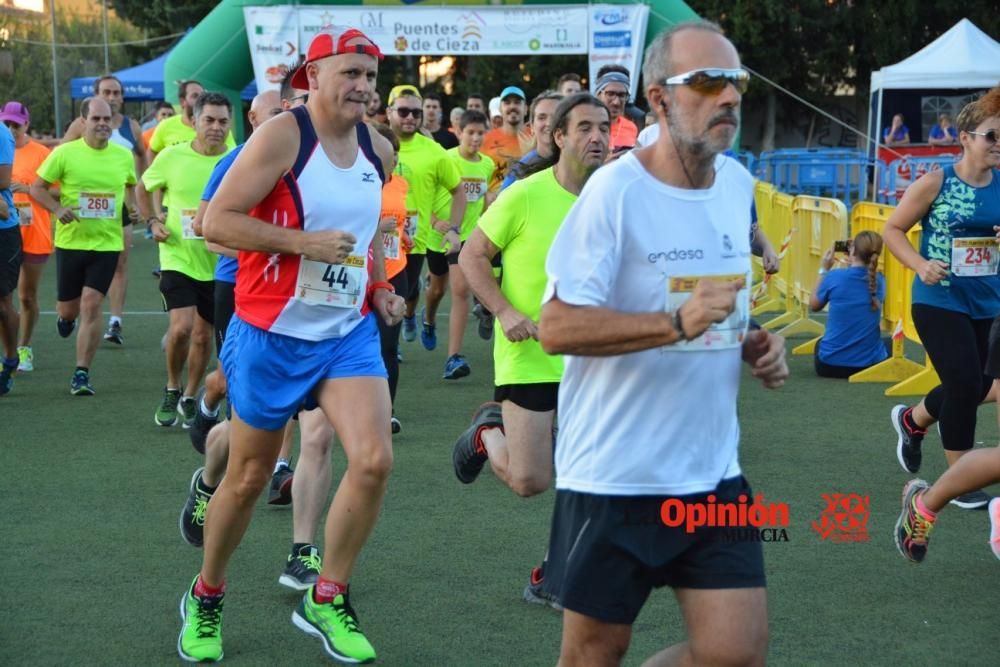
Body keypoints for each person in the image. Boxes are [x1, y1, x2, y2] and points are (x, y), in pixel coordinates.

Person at [537, 21, 787, 667]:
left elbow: (714, 309)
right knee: (595, 652)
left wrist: (751, 342)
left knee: (736, 652)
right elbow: (558, 326)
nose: (728, 97)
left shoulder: (736, 185)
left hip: (712, 473)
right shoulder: (614, 193)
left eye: (736, 82)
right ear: (658, 99)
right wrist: (675, 324)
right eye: (706, 82)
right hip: (615, 474)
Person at [176, 28, 401, 664]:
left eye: (369, 74)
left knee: (375, 459)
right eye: (350, 73)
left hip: (345, 331)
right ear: (312, 76)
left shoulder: (376, 148)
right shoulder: (283, 135)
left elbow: (366, 231)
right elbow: (214, 221)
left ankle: (326, 595)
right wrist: (303, 244)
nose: (362, 85)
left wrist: (379, 285)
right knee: (247, 479)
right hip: (270, 332)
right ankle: (207, 593)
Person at [179, 81, 337, 601]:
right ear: (256, 119)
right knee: (247, 435)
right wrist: (278, 247)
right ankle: (208, 479)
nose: (289, 119)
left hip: (319, 312)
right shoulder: (245, 159)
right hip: (247, 296)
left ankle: (302, 549)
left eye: (293, 109)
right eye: (277, 113)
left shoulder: (329, 151)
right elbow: (208, 227)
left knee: (316, 433)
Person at [454, 93, 610, 608]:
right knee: (529, 480)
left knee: (595, 476)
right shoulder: (523, 194)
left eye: (604, 128)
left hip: (593, 360)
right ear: (559, 137)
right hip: (528, 352)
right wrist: (503, 311)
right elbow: (472, 254)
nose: (597, 137)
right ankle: (486, 435)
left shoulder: (616, 199)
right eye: (584, 127)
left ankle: (552, 574)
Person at [884, 88, 1000, 510]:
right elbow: (892, 230)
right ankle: (961, 478)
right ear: (966, 137)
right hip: (938, 299)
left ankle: (913, 420)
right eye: (992, 136)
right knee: (966, 383)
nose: (998, 145)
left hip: (989, 301)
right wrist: (919, 264)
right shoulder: (936, 182)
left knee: (979, 385)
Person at [30, 97, 137, 395]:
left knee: (91, 303)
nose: (103, 123)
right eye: (96, 119)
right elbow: (36, 188)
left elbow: (130, 185)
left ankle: (81, 372)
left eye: (107, 118)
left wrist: (133, 206)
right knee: (69, 310)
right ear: (83, 122)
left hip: (106, 243)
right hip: (71, 243)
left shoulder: (122, 156)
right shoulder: (64, 154)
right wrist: (56, 209)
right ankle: (65, 319)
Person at [139, 91, 233, 427]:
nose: (216, 127)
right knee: (181, 329)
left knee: (203, 336)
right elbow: (144, 185)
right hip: (177, 256)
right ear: (193, 121)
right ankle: (172, 387)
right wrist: (152, 220)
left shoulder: (237, 159)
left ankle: (191, 395)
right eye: (208, 120)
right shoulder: (171, 157)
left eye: (223, 121)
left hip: (218, 262)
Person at [62, 75, 146, 346]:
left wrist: (136, 196)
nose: (112, 97)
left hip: (117, 205)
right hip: (84, 207)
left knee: (121, 262)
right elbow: (65, 157)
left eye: (117, 92)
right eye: (107, 92)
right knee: (78, 285)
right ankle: (70, 313)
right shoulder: (80, 125)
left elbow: (142, 157)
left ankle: (115, 320)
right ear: (96, 95)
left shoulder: (131, 127)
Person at [386, 84, 467, 351]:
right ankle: (389, 345)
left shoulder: (434, 152)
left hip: (415, 242)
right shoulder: (371, 142)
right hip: (378, 238)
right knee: (383, 296)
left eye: (415, 113)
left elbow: (459, 191)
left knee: (407, 292)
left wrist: (454, 228)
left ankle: (408, 316)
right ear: (389, 112)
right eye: (403, 111)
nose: (410, 117)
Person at [424, 109, 497, 379]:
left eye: (480, 133)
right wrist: (433, 221)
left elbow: (482, 200)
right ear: (458, 132)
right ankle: (428, 318)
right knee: (435, 290)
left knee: (461, 290)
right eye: (471, 133)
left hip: (465, 236)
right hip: (435, 236)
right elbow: (425, 193)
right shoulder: (445, 158)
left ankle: (453, 357)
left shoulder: (487, 164)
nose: (476, 138)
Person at [1, 102, 52, 375]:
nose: (11, 129)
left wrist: (29, 188)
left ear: (26, 125)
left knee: (27, 296)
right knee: (4, 297)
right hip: (5, 233)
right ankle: (8, 350)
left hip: (34, 233)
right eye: (6, 124)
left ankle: (24, 347)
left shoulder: (42, 154)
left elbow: (57, 193)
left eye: (16, 125)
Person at [372, 123, 410, 431]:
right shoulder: (359, 181)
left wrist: (403, 235)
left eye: (395, 153)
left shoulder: (401, 184)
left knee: (388, 346)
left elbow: (402, 221)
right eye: (387, 152)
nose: (392, 159)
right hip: (363, 273)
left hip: (397, 269)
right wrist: (375, 227)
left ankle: (388, 410)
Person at [808, 232, 889, 378]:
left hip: (829, 365)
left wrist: (824, 270)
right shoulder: (880, 281)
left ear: (853, 251)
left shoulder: (834, 276)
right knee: (888, 343)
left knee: (820, 343)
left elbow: (813, 305)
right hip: (868, 366)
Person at [148, 80, 236, 162]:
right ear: (182, 101)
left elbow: (232, 156)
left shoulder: (219, 129)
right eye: (195, 96)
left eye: (202, 95)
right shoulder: (165, 125)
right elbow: (152, 151)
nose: (200, 99)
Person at [482, 86, 531, 190]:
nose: (512, 106)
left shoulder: (537, 139)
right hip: (497, 203)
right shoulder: (486, 140)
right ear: (500, 109)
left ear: (526, 109)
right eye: (507, 103)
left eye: (517, 102)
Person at [0, 120, 18, 394]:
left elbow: (3, 180)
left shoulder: (1, 132)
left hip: (3, 230)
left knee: (2, 305)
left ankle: (11, 357)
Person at [594, 68, 638, 153]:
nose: (616, 102)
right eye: (610, 94)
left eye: (622, 95)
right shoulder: (587, 127)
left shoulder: (631, 127)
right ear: (598, 94)